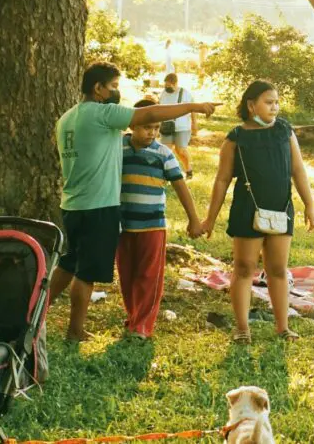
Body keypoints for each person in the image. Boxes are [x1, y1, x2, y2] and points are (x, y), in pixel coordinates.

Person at [51, 61, 217, 342]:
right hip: (98, 207)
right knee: (86, 271)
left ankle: (35, 315)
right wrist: (193, 107)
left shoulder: (67, 118)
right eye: (114, 86)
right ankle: (75, 331)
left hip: (72, 204)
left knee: (69, 262)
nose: (117, 92)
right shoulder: (101, 114)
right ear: (98, 89)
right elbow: (149, 112)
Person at [199, 80, 314, 343]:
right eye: (268, 102)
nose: (274, 107)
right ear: (251, 105)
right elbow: (221, 180)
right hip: (246, 209)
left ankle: (283, 328)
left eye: (276, 102)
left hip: (281, 208)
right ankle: (242, 329)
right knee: (243, 268)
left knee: (277, 269)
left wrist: (309, 204)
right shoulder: (235, 138)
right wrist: (210, 218)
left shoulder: (285, 131)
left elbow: (298, 171)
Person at [118, 99, 202, 339]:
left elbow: (180, 186)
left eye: (156, 128)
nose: (152, 133)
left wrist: (193, 219)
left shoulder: (163, 153)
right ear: (133, 124)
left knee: (149, 276)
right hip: (123, 225)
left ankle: (142, 325)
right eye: (147, 127)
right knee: (127, 274)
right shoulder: (117, 147)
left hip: (152, 225)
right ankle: (134, 315)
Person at [159, 73, 197, 179]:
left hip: (182, 126)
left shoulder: (185, 93)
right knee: (165, 150)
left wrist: (194, 124)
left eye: (169, 85)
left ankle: (188, 170)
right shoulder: (163, 93)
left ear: (175, 83)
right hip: (166, 126)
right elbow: (159, 108)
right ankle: (166, 173)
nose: (167, 88)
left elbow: (193, 109)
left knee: (180, 150)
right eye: (165, 85)